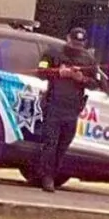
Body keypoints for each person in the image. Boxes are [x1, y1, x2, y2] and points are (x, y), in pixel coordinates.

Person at [35, 27, 99, 193]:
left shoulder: (88, 59)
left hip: (72, 109)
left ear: (84, 43)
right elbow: (40, 71)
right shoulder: (53, 53)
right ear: (67, 38)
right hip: (54, 105)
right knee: (51, 143)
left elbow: (96, 83)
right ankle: (46, 177)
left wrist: (82, 78)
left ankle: (52, 175)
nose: (76, 46)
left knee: (63, 145)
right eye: (74, 42)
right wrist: (58, 72)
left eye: (80, 44)